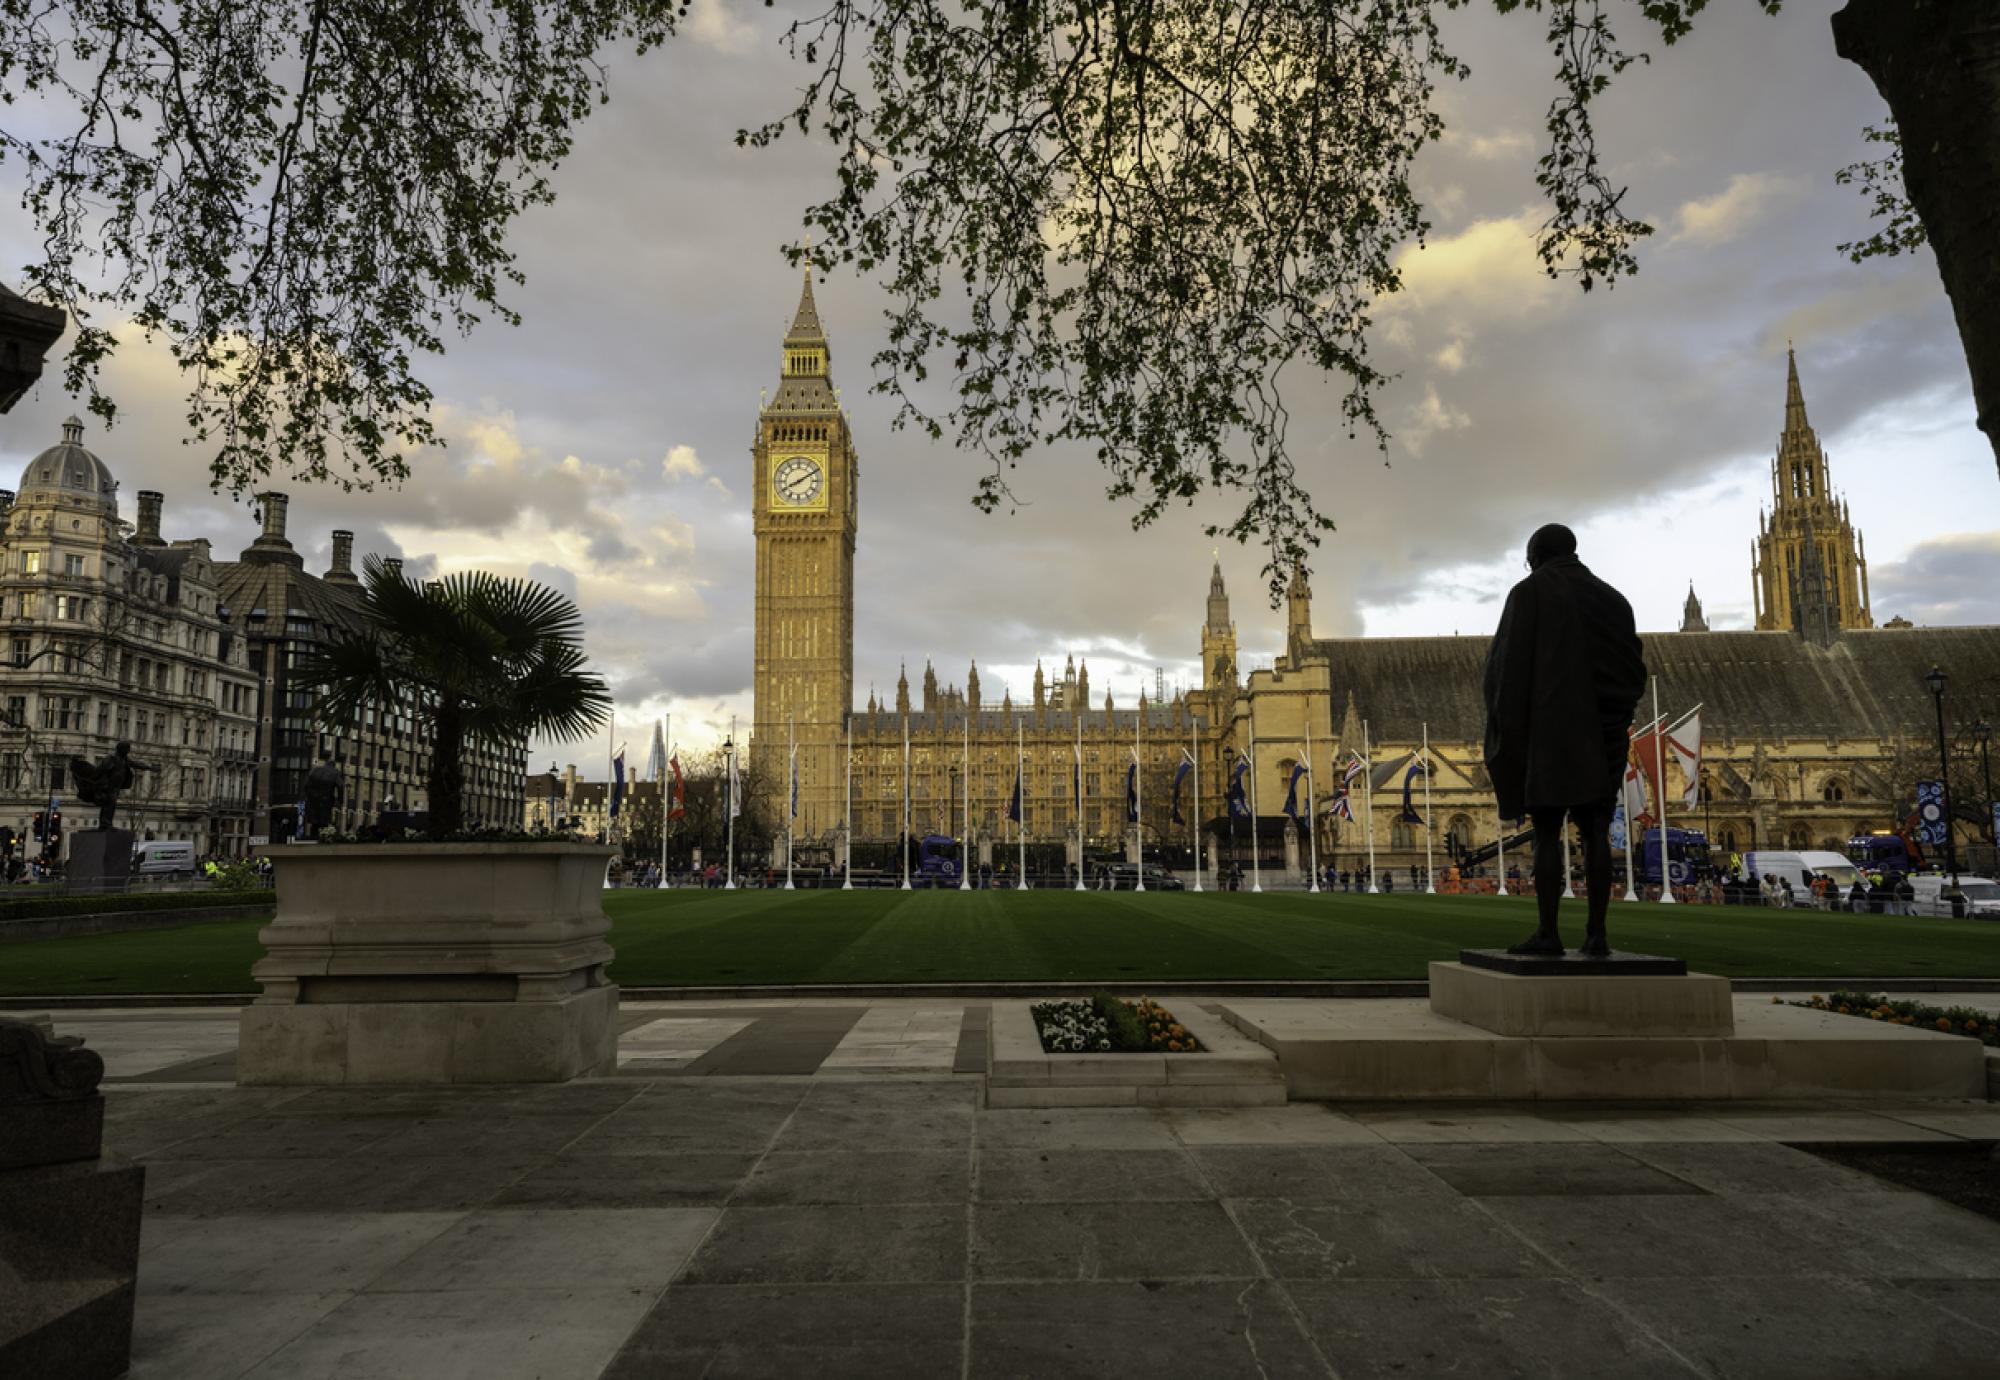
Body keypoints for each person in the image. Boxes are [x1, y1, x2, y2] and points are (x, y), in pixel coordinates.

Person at [1483, 524, 1647, 957]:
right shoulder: (1615, 600)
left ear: (1536, 555)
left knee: (1547, 831)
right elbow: (1634, 673)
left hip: (1552, 732)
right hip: (1605, 733)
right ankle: (1597, 936)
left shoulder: (1528, 593)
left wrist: (1505, 731)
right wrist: (1614, 718)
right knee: (1596, 830)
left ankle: (1549, 934)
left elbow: (1505, 672)